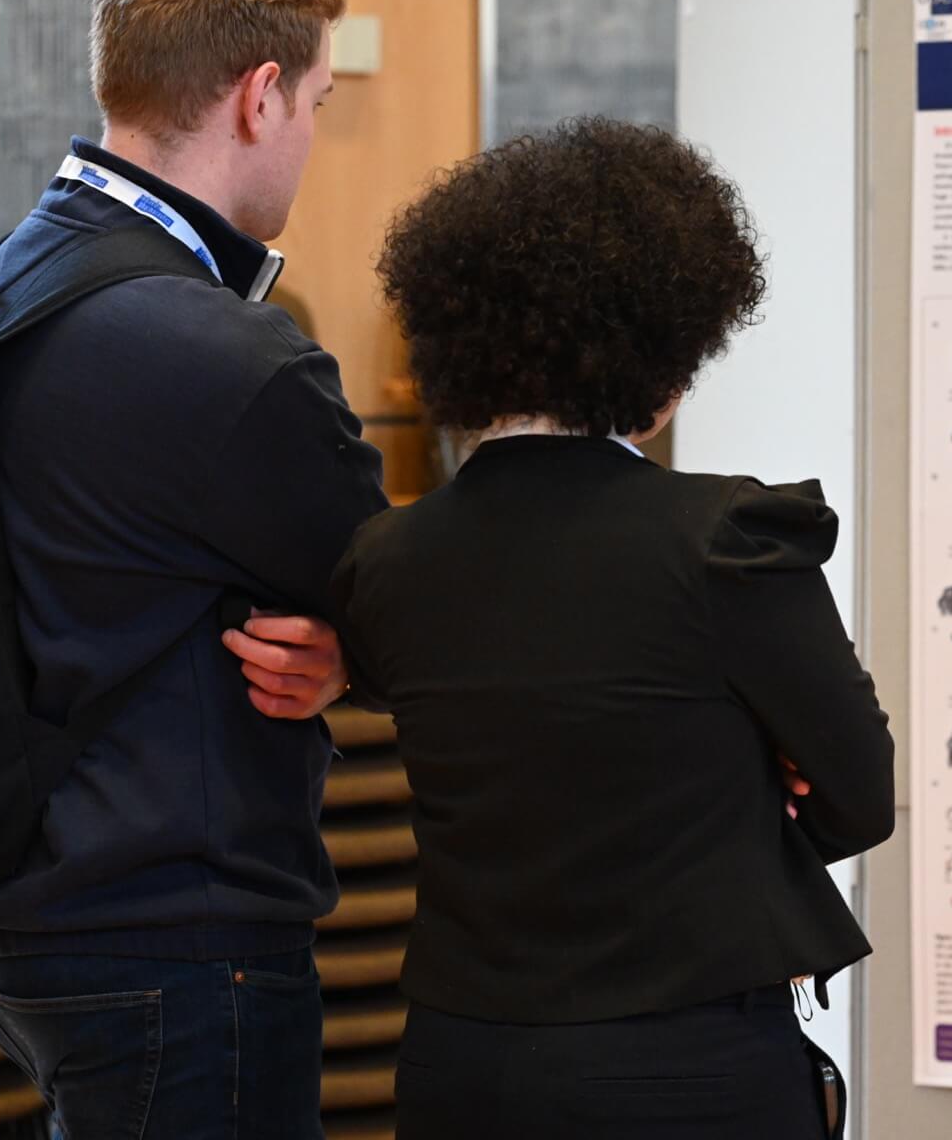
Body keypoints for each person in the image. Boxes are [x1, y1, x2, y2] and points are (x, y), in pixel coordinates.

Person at [326, 117, 896, 1138]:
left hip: (462, 1062)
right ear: (667, 357)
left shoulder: (386, 563)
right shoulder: (729, 543)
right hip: (685, 1064)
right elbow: (859, 794)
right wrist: (746, 785)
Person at [0, 0, 382, 1137]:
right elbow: (400, 593)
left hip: (11, 906)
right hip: (177, 932)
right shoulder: (226, 355)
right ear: (260, 94)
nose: (312, 135)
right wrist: (357, 644)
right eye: (322, 101)